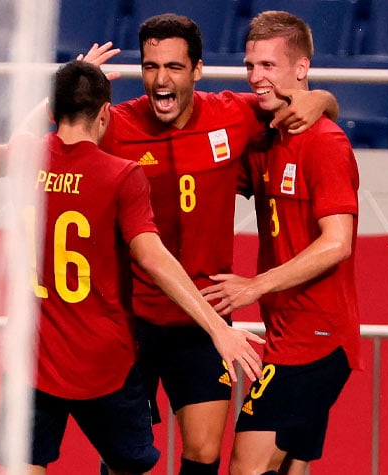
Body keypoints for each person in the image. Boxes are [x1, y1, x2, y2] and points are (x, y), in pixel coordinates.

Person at [77, 15, 339, 474]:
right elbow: (49, 136)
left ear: (197, 70)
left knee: (203, 452)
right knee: (125, 459)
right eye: (151, 66)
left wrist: (322, 98)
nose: (162, 79)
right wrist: (74, 83)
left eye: (174, 67)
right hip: (130, 318)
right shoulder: (114, 124)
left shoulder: (233, 113)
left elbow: (302, 104)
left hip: (203, 317)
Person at [6, 60, 263, 474]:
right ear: (105, 112)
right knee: (130, 465)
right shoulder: (120, 173)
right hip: (104, 359)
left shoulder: (25, 157)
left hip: (35, 356)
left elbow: (2, 147)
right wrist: (218, 327)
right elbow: (152, 255)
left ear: (53, 110)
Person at [200, 11, 361, 474]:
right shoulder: (267, 138)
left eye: (268, 66)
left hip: (315, 339)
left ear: (301, 68)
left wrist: (254, 286)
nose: (256, 77)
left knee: (246, 468)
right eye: (251, 66)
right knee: (290, 466)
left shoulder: (326, 143)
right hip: (290, 334)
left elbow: (338, 243)